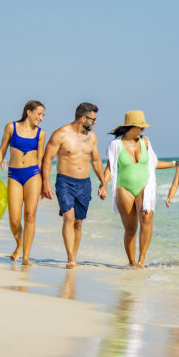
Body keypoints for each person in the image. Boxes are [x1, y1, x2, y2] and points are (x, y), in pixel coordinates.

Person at [104, 110, 179, 268]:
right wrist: (103, 185)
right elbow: (110, 169)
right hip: (124, 188)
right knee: (130, 228)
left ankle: (141, 260)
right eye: (141, 127)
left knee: (146, 219)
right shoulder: (115, 145)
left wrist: (175, 163)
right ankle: (132, 263)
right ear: (131, 127)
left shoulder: (145, 142)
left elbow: (154, 163)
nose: (143, 130)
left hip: (146, 186)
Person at [41, 102, 107, 268]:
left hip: (84, 183)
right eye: (93, 119)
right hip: (64, 181)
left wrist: (103, 183)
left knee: (78, 223)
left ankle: (74, 255)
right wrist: (45, 183)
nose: (95, 123)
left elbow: (97, 160)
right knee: (68, 217)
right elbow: (47, 158)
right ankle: (71, 258)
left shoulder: (92, 137)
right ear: (83, 118)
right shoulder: (61, 134)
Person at [0, 100, 46, 265]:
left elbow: (40, 159)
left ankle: (26, 257)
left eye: (43, 115)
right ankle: (20, 244)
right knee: (14, 219)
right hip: (14, 174)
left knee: (30, 216)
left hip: (33, 174)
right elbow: (2, 150)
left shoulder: (41, 133)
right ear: (28, 112)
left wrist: (43, 183)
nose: (41, 118)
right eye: (39, 114)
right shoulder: (11, 127)